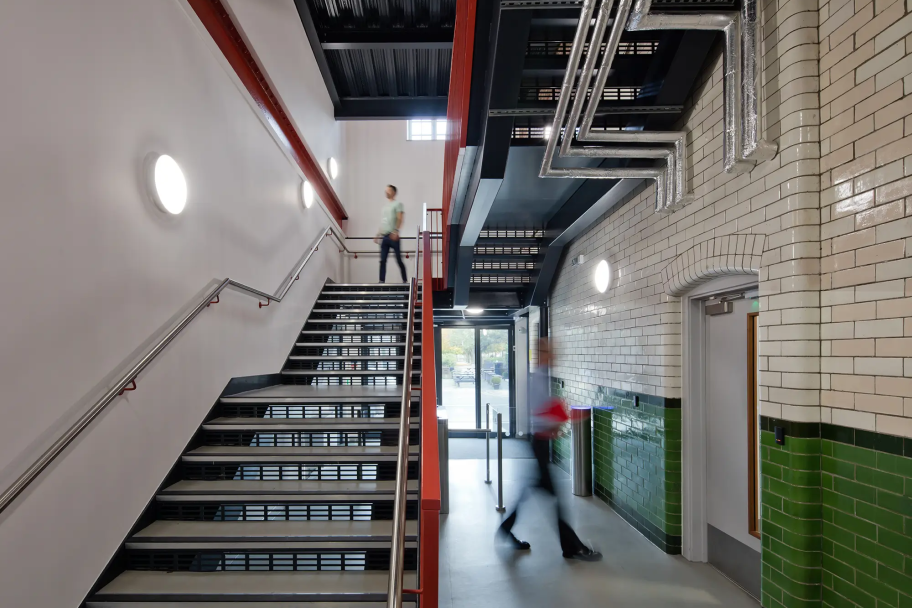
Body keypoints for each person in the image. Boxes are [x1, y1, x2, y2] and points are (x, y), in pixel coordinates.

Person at [497, 338, 601, 561]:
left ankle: (507, 529)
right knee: (555, 499)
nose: (553, 354)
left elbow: (544, 412)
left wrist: (557, 418)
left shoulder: (542, 377)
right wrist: (560, 418)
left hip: (541, 443)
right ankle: (572, 547)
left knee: (536, 490)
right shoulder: (538, 379)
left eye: (552, 350)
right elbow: (539, 413)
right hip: (540, 444)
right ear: (541, 353)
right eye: (548, 351)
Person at [374, 184, 407, 283]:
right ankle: (381, 281)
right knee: (382, 260)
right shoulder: (384, 207)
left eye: (388, 190)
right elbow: (384, 222)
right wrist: (378, 235)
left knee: (399, 260)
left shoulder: (398, 204)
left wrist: (396, 231)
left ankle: (405, 280)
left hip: (393, 236)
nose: (386, 192)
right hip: (384, 237)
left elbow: (400, 218)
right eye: (386, 190)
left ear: (393, 192)